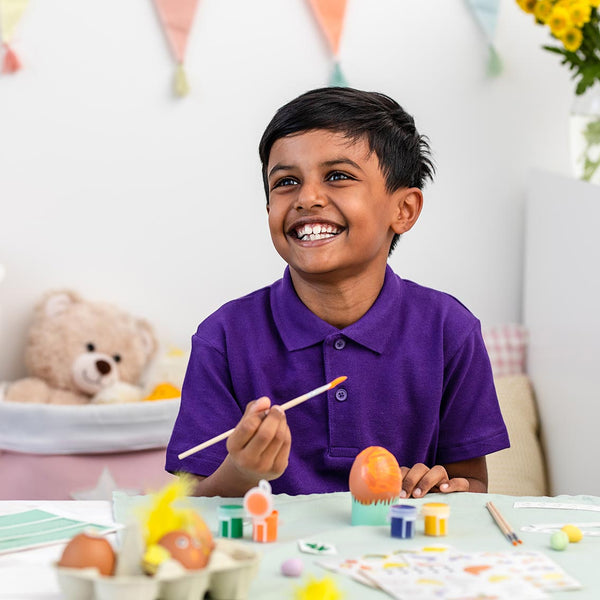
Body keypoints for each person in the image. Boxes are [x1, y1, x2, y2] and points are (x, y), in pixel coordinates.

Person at [165, 87, 509, 498]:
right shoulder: (223, 337)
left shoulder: (449, 330)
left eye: (338, 176)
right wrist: (240, 471)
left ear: (404, 210)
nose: (307, 198)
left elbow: (471, 488)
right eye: (286, 182)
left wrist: (438, 488)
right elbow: (192, 508)